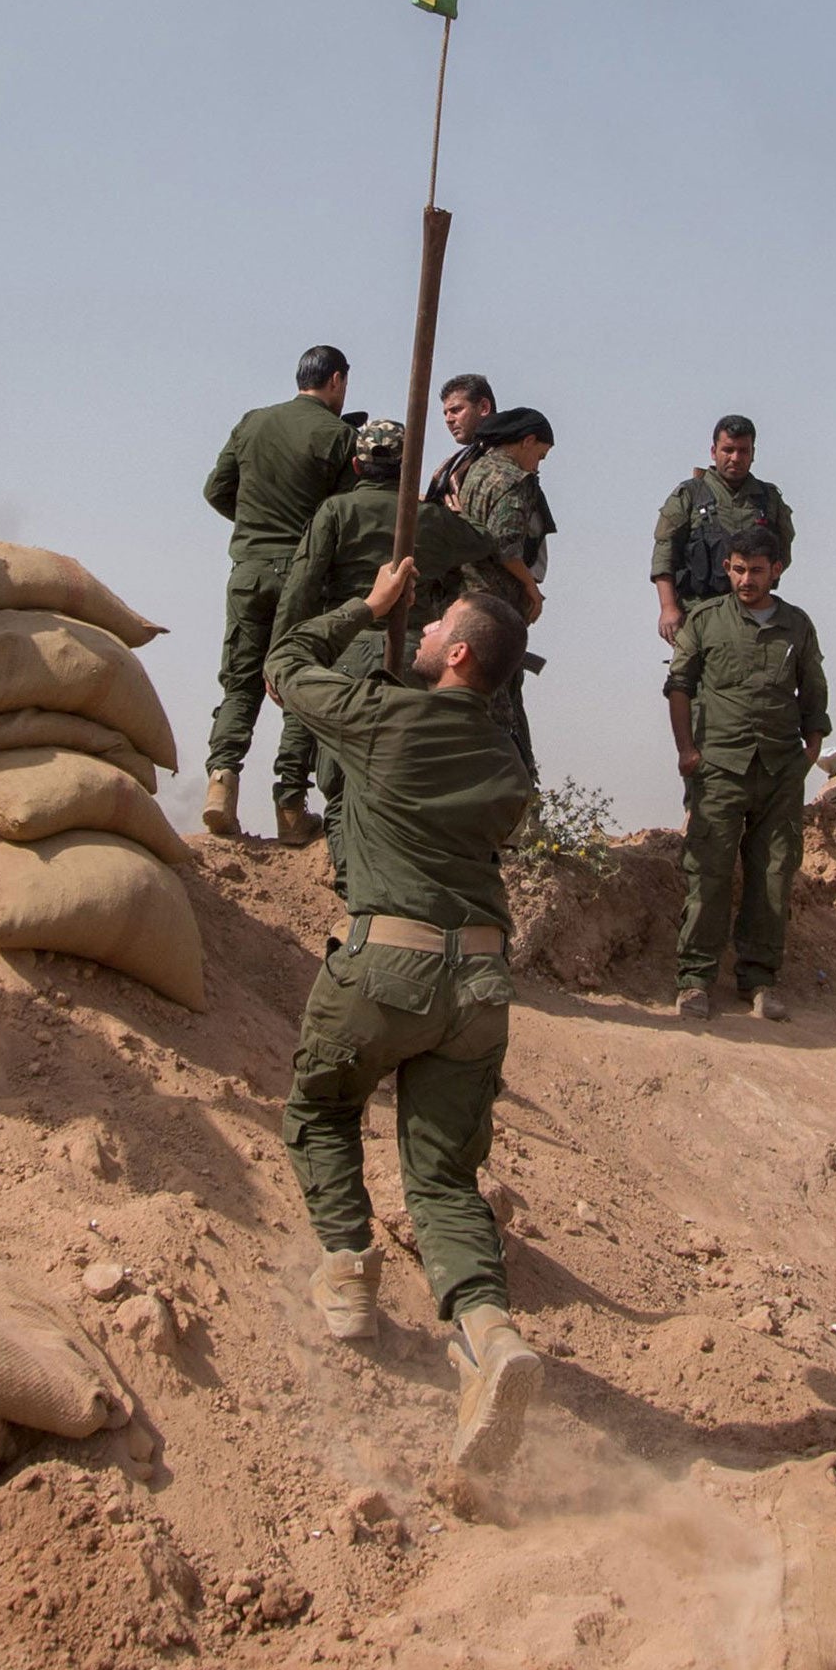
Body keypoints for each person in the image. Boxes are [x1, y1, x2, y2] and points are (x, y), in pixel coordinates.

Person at [268, 555, 545, 1473]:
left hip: (388, 965)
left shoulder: (383, 718)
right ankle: (489, 1335)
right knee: (442, 1182)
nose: (418, 631)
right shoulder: (507, 764)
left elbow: (282, 663)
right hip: (481, 988)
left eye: (434, 626)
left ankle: (347, 1271)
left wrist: (365, 607)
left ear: (459, 653)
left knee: (321, 1107)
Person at [272, 417, 501, 882]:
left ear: (357, 464)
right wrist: (448, 508)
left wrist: (283, 651)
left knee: (344, 778)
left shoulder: (334, 513)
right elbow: (483, 541)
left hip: (346, 653)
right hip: (418, 655)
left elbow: (300, 589)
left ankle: (350, 883)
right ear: (407, 471)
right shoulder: (430, 519)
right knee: (412, 775)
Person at [664, 524, 827, 1020]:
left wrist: (812, 748)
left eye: (756, 570)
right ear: (727, 568)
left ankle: (759, 980)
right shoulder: (706, 620)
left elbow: (813, 689)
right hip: (719, 766)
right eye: (737, 569)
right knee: (709, 872)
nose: (745, 579)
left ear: (775, 570)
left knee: (774, 875)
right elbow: (678, 687)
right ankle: (694, 979)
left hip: (779, 769)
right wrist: (687, 751)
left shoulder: (797, 625)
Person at [201, 345, 356, 845]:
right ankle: (290, 807)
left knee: (240, 682)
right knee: (299, 682)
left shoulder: (253, 422)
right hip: (305, 576)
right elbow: (345, 516)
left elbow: (216, 490)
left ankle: (220, 786)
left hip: (247, 572)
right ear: (336, 380)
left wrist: (252, 529)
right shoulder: (340, 436)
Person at [445, 406, 556, 778]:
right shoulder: (516, 481)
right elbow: (505, 546)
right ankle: (515, 799)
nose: (538, 465)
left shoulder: (474, 469)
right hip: (496, 607)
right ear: (526, 441)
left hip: (464, 602)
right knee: (502, 707)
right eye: (539, 454)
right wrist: (531, 588)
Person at [652, 414, 797, 645]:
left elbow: (782, 555)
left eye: (743, 451)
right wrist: (668, 608)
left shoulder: (768, 500)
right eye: (728, 450)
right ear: (714, 451)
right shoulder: (690, 495)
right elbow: (664, 553)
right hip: (699, 615)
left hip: (755, 618)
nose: (735, 458)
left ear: (753, 454)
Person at [424, 371, 495, 507]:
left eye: (456, 410)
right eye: (446, 413)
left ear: (484, 407)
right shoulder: (453, 465)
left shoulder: (508, 454)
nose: (448, 420)